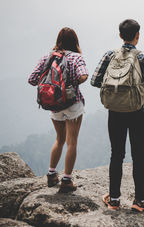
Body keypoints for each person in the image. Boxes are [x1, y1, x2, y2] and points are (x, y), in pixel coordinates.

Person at [91, 19, 144, 212]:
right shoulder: (142, 56)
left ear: (120, 35)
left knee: (116, 155)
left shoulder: (109, 55)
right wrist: (139, 83)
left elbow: (95, 81)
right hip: (139, 111)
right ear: (138, 36)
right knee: (139, 157)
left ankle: (114, 200)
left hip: (115, 112)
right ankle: (139, 201)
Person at [28, 27, 89, 193]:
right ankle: (67, 180)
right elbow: (83, 75)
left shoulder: (47, 57)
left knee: (59, 139)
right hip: (72, 103)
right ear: (75, 41)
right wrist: (70, 82)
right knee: (72, 142)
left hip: (53, 103)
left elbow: (32, 79)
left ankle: (51, 174)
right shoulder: (76, 57)